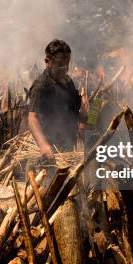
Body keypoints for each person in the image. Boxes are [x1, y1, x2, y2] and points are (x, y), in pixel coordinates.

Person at [27, 39, 83, 175]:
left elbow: (77, 114)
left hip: (69, 146)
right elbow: (32, 118)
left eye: (67, 64)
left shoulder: (68, 82)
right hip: (51, 150)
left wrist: (92, 115)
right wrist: (43, 145)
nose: (64, 69)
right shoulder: (41, 86)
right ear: (47, 62)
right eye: (59, 65)